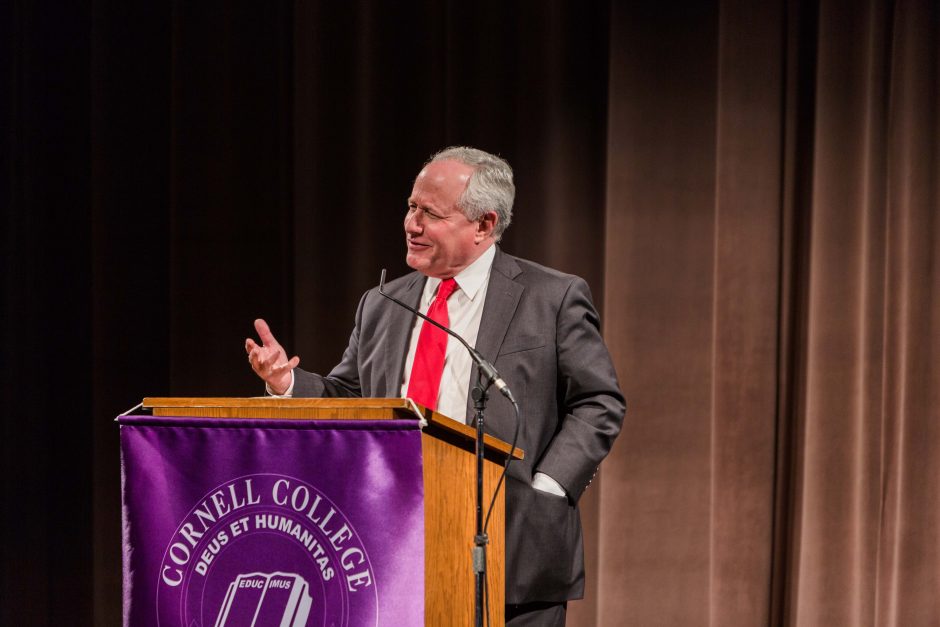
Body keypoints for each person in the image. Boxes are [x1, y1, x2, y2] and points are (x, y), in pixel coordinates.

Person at [246, 146, 624, 626]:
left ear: (483, 226)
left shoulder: (552, 298)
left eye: (430, 213)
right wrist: (286, 382)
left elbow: (599, 401)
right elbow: (352, 400)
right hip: (391, 542)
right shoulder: (383, 303)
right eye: (410, 206)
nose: (412, 224)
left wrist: (547, 487)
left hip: (513, 542)